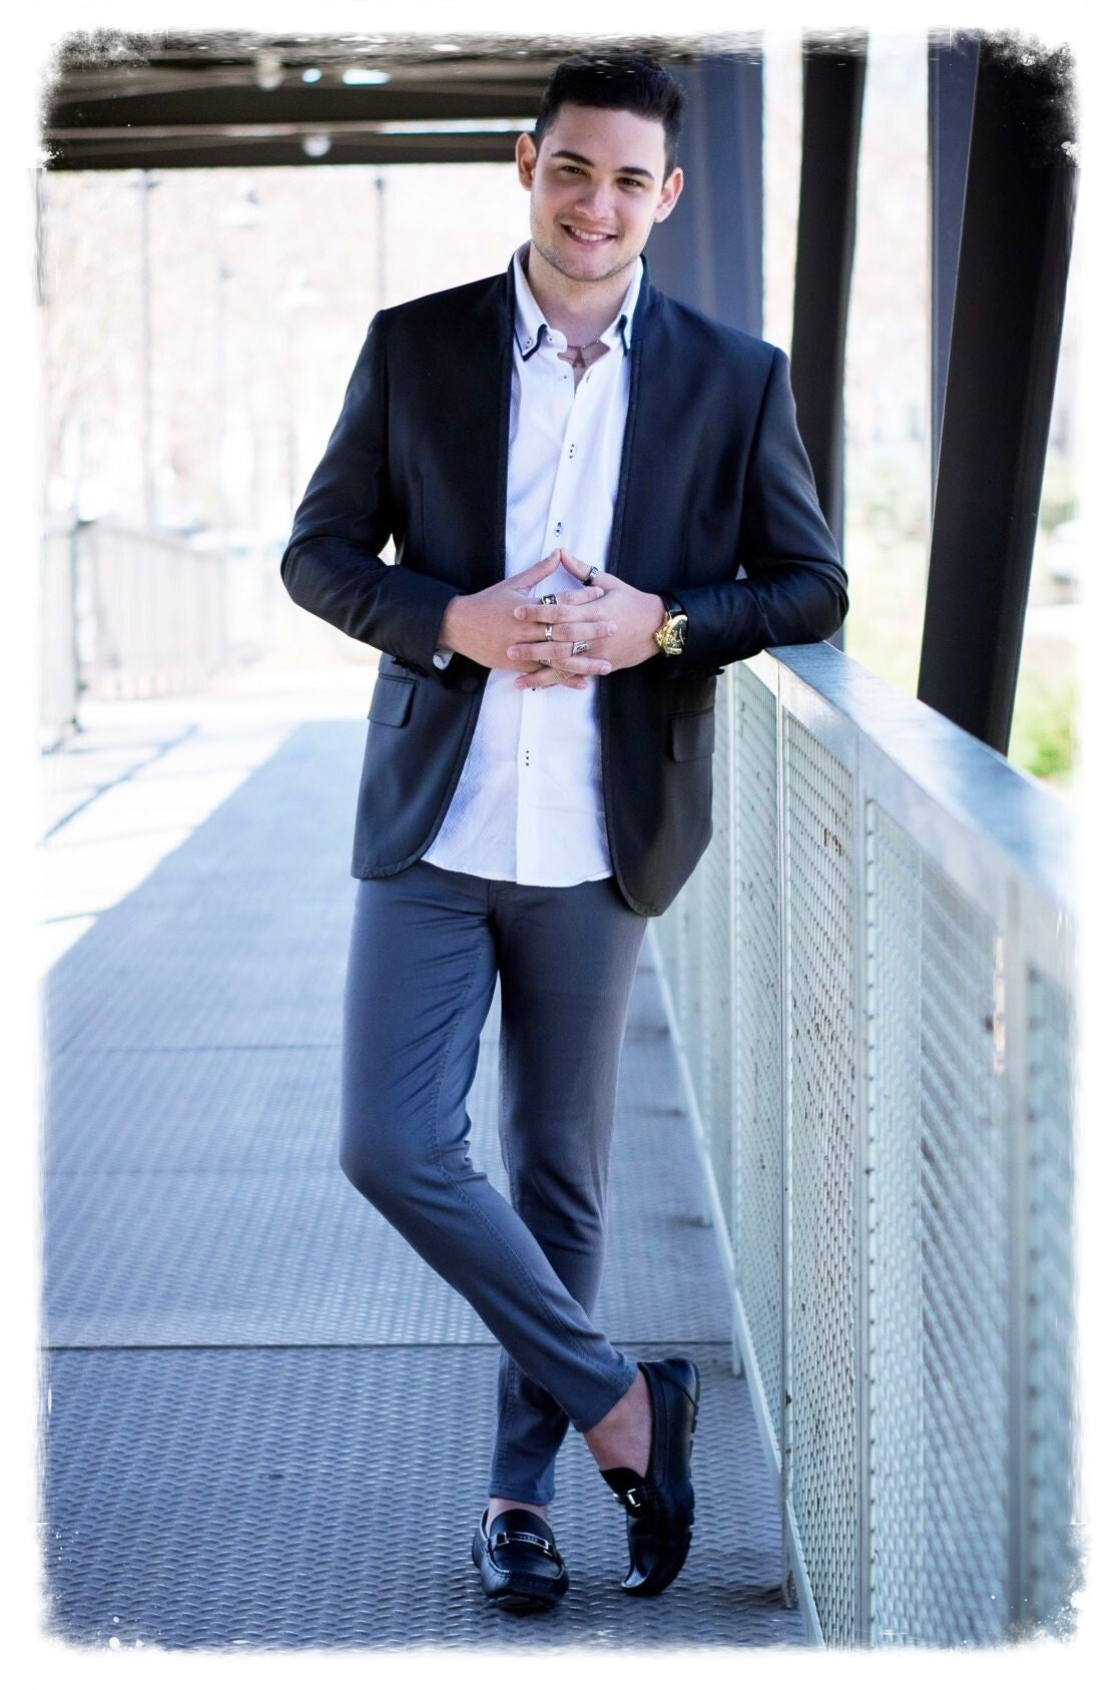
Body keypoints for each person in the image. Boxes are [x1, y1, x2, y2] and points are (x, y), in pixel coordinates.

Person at [280, 50, 847, 1615]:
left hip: (604, 839)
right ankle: (624, 1402)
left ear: (669, 195)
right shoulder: (417, 347)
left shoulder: (735, 377)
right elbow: (317, 553)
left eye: (629, 181)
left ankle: (519, 1499)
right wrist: (445, 616)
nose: (597, 205)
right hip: (436, 820)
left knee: (559, 1176)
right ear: (527, 165)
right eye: (573, 170)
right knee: (392, 1141)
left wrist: (657, 624)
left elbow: (810, 586)